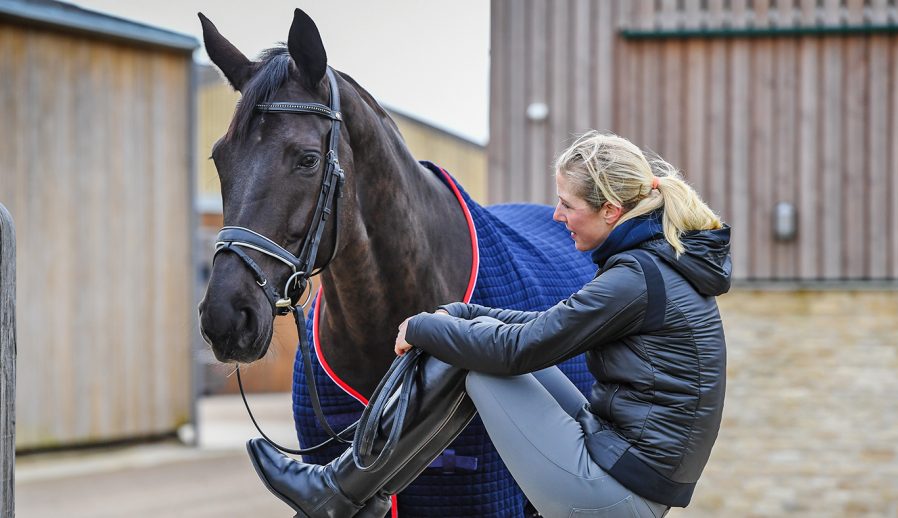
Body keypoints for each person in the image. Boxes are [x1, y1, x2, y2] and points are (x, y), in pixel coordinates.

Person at [247, 131, 731, 518]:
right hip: (624, 462)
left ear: (610, 210)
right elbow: (547, 324)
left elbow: (521, 348)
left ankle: (338, 488)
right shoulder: (653, 264)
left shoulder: (635, 278)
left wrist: (421, 328)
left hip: (616, 495)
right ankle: (363, 492)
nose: (558, 215)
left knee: (473, 361)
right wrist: (462, 313)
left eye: (568, 204)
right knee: (471, 341)